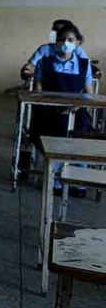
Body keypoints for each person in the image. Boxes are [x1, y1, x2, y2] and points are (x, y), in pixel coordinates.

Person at [30, 23, 93, 196]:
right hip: (50, 112)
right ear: (56, 42)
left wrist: (75, 106)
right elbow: (38, 92)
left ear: (78, 42)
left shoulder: (84, 64)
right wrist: (52, 106)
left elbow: (89, 93)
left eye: (71, 39)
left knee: (80, 139)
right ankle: (55, 181)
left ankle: (79, 183)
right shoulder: (44, 63)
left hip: (76, 111)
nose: (66, 42)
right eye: (62, 39)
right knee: (55, 138)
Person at [21, 19, 88, 80]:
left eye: (59, 31)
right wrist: (28, 69)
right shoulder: (45, 49)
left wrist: (42, 70)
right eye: (53, 31)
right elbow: (29, 68)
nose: (55, 34)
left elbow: (86, 69)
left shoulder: (78, 50)